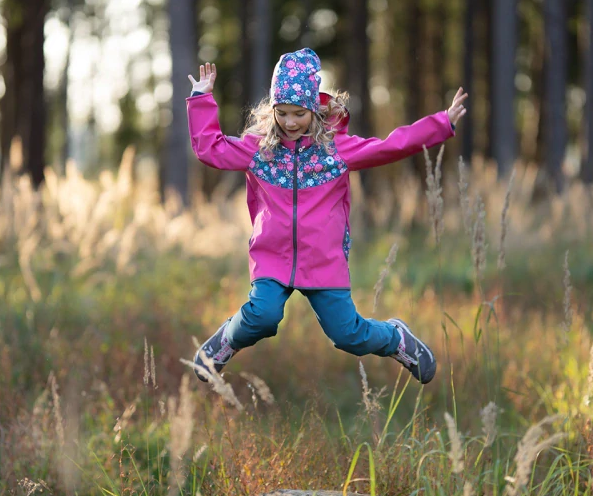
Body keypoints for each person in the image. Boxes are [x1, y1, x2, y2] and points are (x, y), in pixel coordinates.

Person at [186, 48, 468, 384]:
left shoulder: (335, 149)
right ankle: (227, 341)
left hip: (323, 259)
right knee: (262, 315)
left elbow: (391, 145)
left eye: (299, 114)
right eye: (282, 113)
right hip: (272, 256)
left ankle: (397, 339)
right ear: (272, 109)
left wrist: (442, 123)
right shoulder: (259, 149)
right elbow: (211, 149)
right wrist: (201, 99)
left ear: (314, 109)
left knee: (348, 335)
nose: (290, 122)